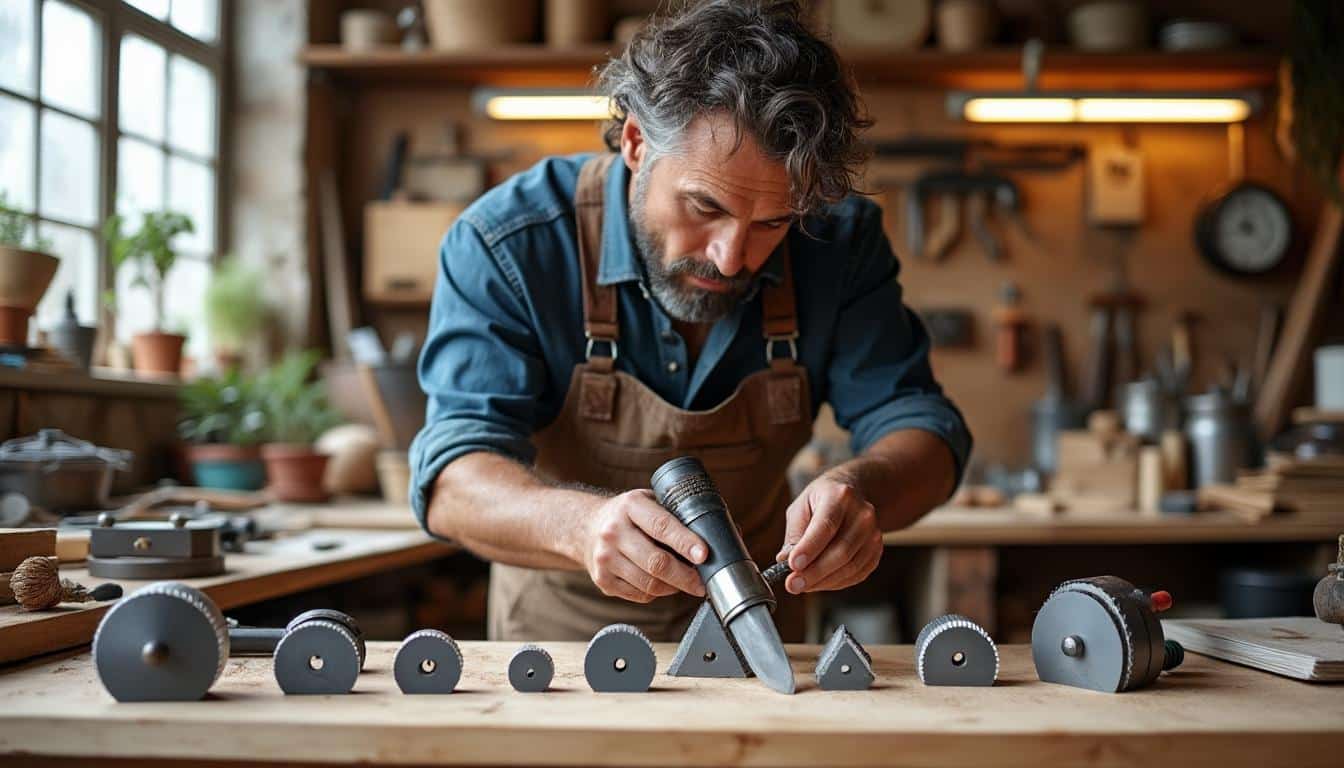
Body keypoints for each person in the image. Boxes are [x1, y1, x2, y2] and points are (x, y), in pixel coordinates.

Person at [410, 0, 972, 641]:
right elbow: (452, 480)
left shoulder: (836, 243)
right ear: (635, 143)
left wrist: (863, 488)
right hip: (565, 644)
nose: (732, 256)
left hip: (761, 633)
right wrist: (581, 527)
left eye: (772, 223)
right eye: (704, 206)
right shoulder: (508, 245)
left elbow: (923, 430)